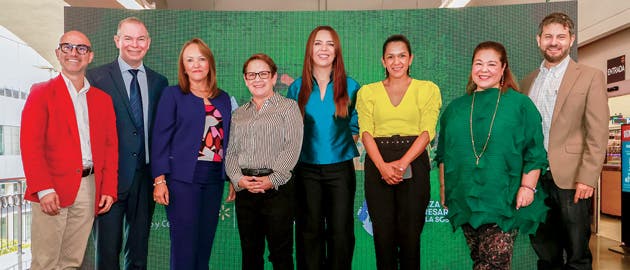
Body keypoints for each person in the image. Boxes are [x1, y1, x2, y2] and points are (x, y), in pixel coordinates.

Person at [436, 41, 548, 270]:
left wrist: (528, 187)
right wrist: (444, 191)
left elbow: (534, 150)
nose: (483, 69)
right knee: (479, 258)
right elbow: (444, 155)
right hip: (465, 197)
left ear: (503, 68)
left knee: (493, 263)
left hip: (504, 199)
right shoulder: (455, 109)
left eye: (491, 64)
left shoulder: (520, 105)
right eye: (478, 63)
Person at [21, 30, 118, 269]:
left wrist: (108, 188)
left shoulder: (102, 100)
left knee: (72, 262)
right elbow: (30, 144)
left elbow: (110, 147)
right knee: (45, 262)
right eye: (67, 47)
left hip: (89, 188)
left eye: (81, 48)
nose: (74, 53)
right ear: (58, 53)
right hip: (52, 187)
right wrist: (43, 189)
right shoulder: (41, 92)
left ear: (90, 56)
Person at [520, 12, 609, 270]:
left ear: (571, 40)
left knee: (577, 255)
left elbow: (598, 130)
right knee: (545, 253)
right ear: (538, 40)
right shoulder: (527, 82)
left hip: (573, 179)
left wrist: (588, 177)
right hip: (536, 179)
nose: (554, 42)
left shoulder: (590, 76)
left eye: (561, 36)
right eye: (548, 36)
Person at [86, 17, 169, 270]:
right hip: (108, 180)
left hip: (145, 180)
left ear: (148, 43)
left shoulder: (159, 82)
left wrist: (159, 178)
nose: (135, 44)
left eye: (141, 38)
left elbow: (160, 132)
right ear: (117, 40)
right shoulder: (95, 78)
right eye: (129, 38)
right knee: (107, 251)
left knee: (139, 251)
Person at [356, 34, 441, 270]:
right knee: (383, 239)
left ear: (410, 58)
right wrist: (383, 167)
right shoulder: (367, 92)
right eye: (390, 57)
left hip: (413, 159)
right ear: (383, 61)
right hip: (377, 160)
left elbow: (427, 132)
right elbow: (366, 133)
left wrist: (402, 163)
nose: (396, 62)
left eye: (402, 55)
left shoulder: (427, 89)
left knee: (410, 238)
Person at [150, 38, 233, 270]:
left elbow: (230, 140)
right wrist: (159, 180)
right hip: (182, 180)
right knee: (184, 247)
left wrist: (232, 177)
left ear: (210, 63)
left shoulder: (223, 98)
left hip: (214, 178)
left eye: (201, 59)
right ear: (183, 67)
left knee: (204, 246)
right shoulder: (172, 95)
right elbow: (160, 139)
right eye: (190, 60)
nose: (196, 64)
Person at [287, 25, 360, 270]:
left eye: (330, 43)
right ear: (310, 49)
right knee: (309, 233)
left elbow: (356, 128)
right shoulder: (296, 88)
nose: (324, 48)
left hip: (340, 171)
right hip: (305, 171)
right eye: (318, 43)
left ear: (337, 50)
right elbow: (290, 131)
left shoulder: (352, 86)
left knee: (341, 234)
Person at [226, 53, 303, 270]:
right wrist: (238, 179)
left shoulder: (288, 107)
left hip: (278, 190)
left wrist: (273, 178)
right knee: (250, 255)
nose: (257, 79)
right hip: (246, 189)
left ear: (273, 77)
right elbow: (231, 152)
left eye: (263, 74)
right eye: (252, 75)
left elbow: (292, 146)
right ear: (245, 79)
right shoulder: (239, 114)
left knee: (281, 255)